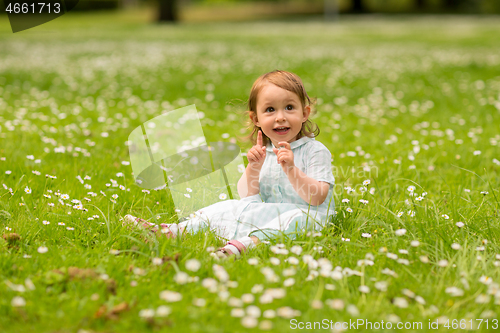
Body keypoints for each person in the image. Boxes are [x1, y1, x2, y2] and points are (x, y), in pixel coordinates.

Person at [124, 70, 335, 258]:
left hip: (309, 217)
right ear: (256, 119)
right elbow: (247, 197)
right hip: (271, 212)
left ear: (304, 113)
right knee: (229, 207)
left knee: (297, 220)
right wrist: (254, 167)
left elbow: (316, 198)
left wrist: (291, 169)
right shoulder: (265, 152)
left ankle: (246, 244)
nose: (280, 117)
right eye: (270, 110)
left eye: (289, 107)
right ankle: (173, 230)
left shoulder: (314, 151)